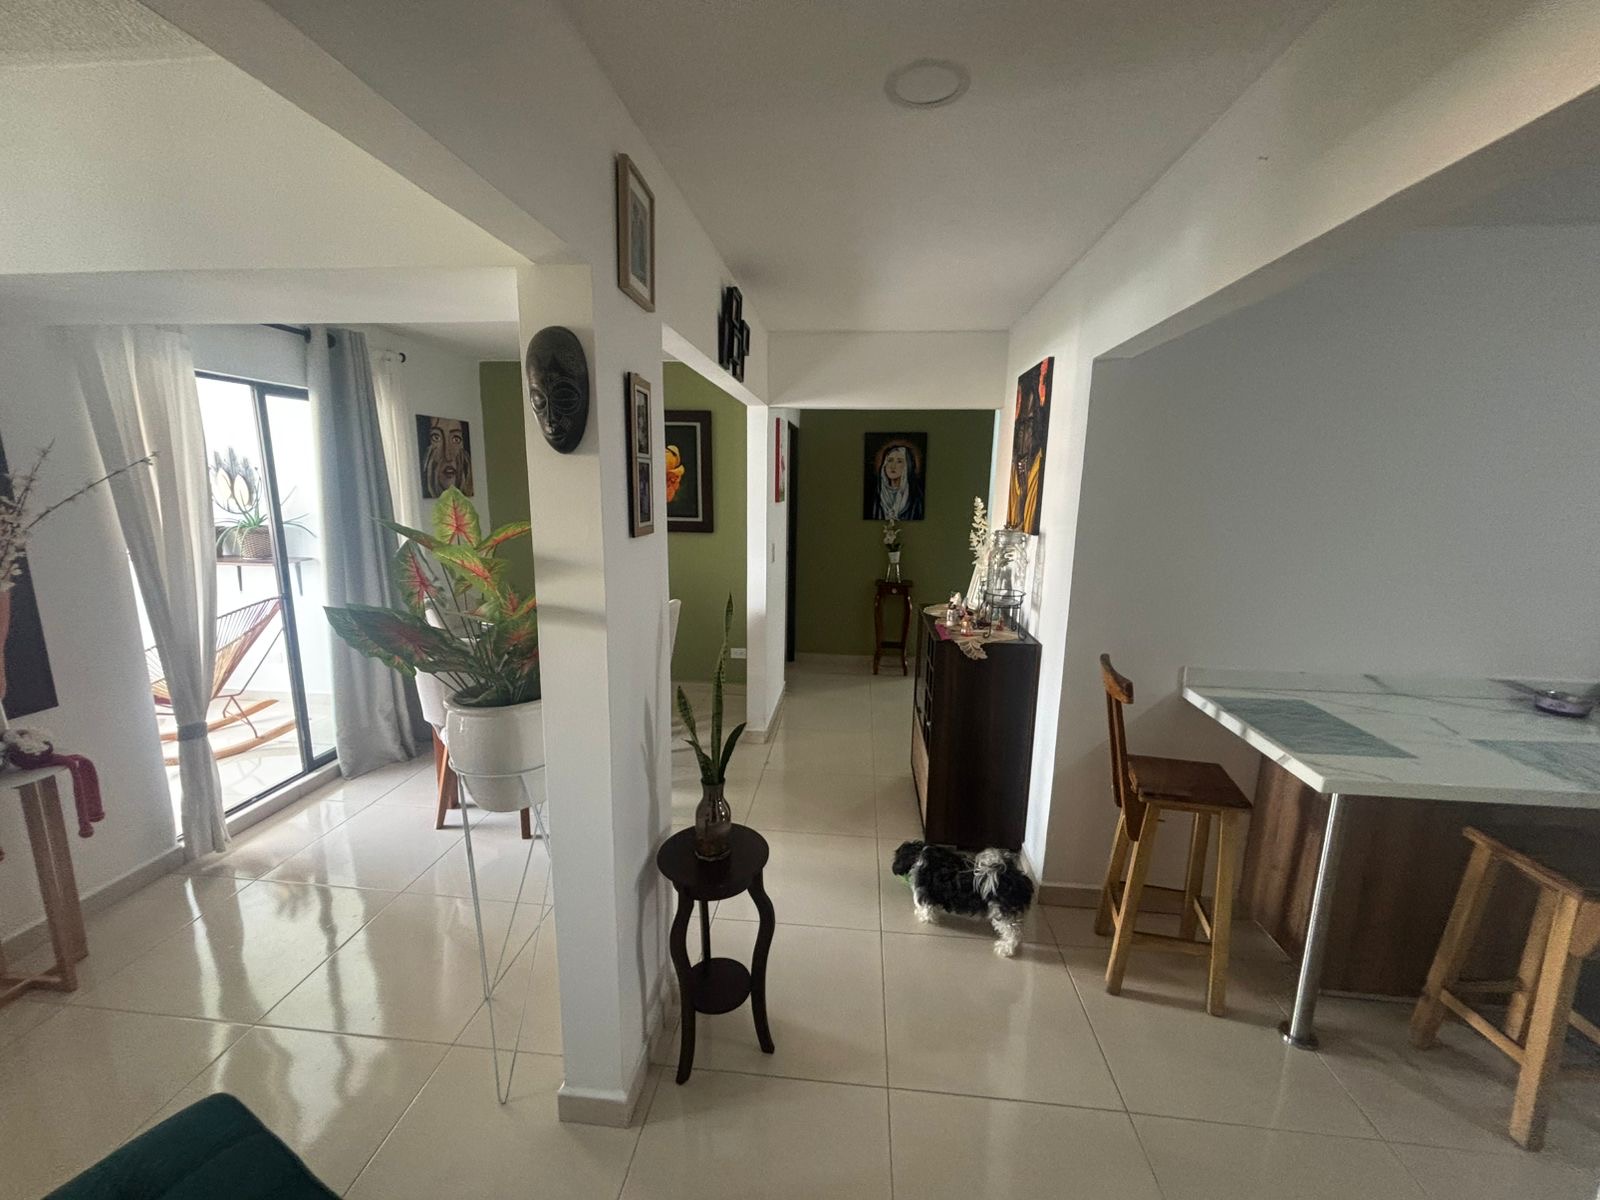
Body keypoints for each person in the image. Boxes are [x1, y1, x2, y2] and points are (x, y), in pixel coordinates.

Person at [870, 439, 924, 521]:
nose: (893, 466)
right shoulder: (876, 495)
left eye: (899, 461)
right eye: (890, 460)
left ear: (908, 466)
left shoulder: (916, 498)